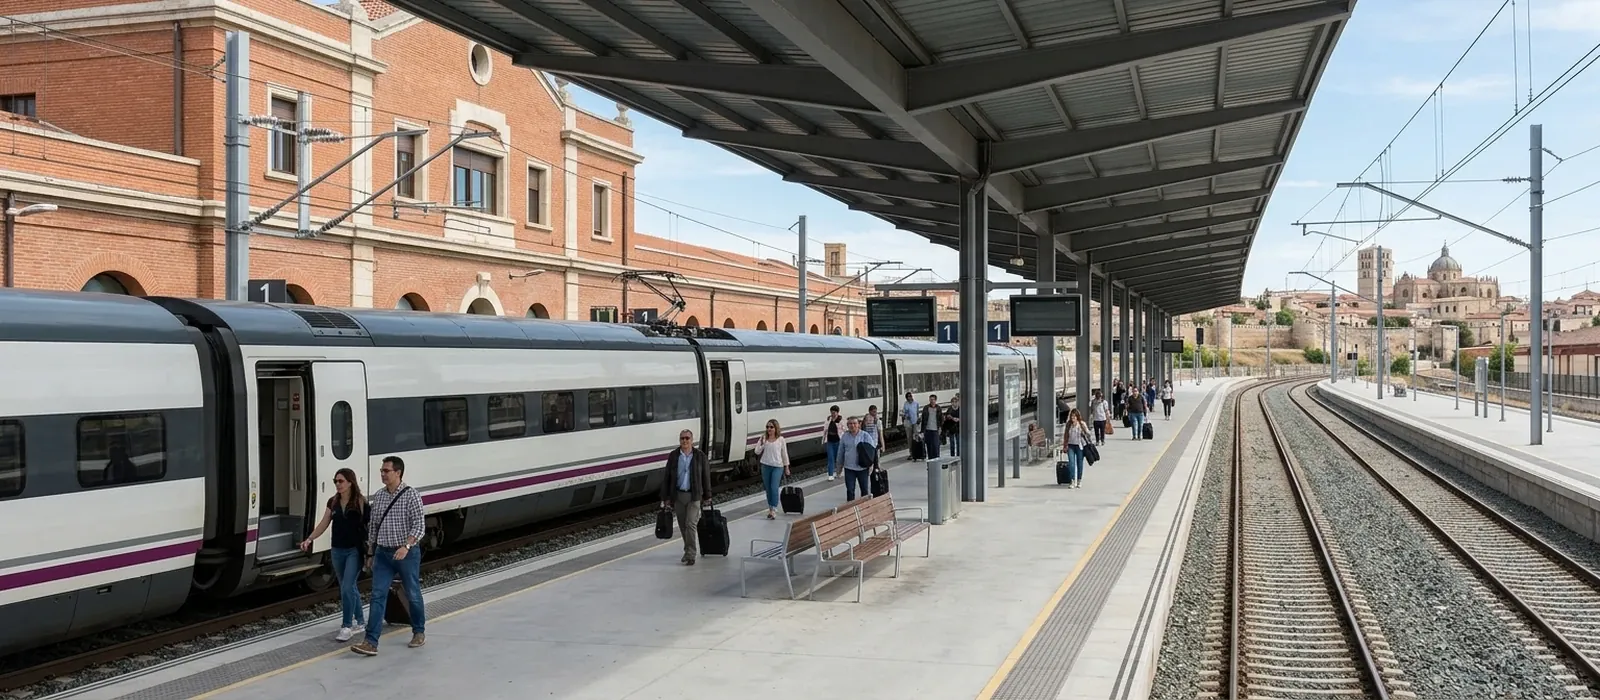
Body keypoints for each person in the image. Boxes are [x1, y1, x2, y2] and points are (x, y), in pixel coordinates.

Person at [351, 456, 426, 656]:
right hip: (383, 554)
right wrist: (370, 552)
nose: (383, 474)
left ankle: (418, 631)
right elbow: (374, 527)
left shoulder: (411, 495)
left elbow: (419, 525)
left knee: (412, 593)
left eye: (386, 470)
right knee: (377, 595)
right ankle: (370, 642)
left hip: (406, 554)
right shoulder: (380, 496)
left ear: (398, 473)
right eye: (382, 471)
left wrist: (406, 546)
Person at [300, 467, 368, 642]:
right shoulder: (333, 502)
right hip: (337, 550)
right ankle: (360, 622)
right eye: (335, 481)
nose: (338, 484)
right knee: (348, 587)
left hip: (354, 550)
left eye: (341, 481)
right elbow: (324, 523)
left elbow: (370, 525)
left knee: (346, 587)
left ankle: (346, 626)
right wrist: (309, 539)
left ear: (350, 482)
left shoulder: (360, 502)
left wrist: (371, 551)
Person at [660, 429, 713, 565]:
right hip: (678, 495)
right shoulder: (674, 456)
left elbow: (706, 476)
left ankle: (691, 554)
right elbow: (667, 477)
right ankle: (688, 549)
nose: (684, 441)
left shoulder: (700, 456)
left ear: (692, 440)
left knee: (690, 524)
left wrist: (707, 495)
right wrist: (665, 497)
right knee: (683, 525)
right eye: (682, 438)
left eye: (687, 438)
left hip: (694, 495)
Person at [755, 419, 790, 519]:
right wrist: (761, 442)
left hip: (778, 466)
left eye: (771, 427)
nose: (769, 429)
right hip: (765, 466)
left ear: (776, 428)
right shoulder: (764, 438)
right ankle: (770, 508)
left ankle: (774, 508)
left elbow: (784, 454)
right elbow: (757, 452)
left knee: (774, 487)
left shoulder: (781, 439)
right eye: (767, 427)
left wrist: (786, 467)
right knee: (768, 489)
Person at [837, 417, 871, 501]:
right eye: (850, 424)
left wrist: (871, 465)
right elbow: (840, 452)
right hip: (849, 468)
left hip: (862, 468)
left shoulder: (865, 435)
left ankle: (865, 506)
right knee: (850, 490)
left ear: (859, 424)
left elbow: (872, 451)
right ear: (847, 425)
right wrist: (839, 467)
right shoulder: (845, 436)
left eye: (854, 423)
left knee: (864, 490)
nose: (852, 425)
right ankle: (851, 506)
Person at [1062, 408, 1089, 488]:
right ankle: (1072, 480)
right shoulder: (1068, 425)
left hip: (1080, 446)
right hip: (1070, 446)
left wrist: (1084, 432)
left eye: (1074, 416)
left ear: (1077, 417)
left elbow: (1088, 433)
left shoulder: (1081, 424)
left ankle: (1079, 480)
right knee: (1071, 463)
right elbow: (1066, 435)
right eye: (1071, 416)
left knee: (1079, 463)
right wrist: (1065, 445)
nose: (1072, 418)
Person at [821, 406, 843, 481]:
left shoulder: (841, 420)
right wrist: (823, 441)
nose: (833, 414)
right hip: (830, 441)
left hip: (838, 441)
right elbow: (825, 431)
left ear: (837, 413)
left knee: (838, 458)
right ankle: (830, 474)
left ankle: (838, 472)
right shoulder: (828, 420)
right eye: (832, 412)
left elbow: (845, 430)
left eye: (834, 413)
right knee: (830, 458)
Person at [919, 394, 943, 460]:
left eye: (933, 399)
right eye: (930, 399)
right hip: (927, 430)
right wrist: (922, 431)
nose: (932, 401)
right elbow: (923, 420)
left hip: (935, 430)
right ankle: (930, 460)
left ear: (935, 400)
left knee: (936, 446)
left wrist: (940, 428)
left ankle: (937, 460)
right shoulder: (926, 408)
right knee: (929, 446)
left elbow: (941, 419)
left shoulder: (938, 408)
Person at [901, 392, 920, 459]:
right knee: (909, 438)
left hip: (915, 422)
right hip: (908, 423)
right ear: (906, 398)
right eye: (908, 397)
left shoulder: (916, 403)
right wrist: (906, 416)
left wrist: (918, 419)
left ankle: (917, 452)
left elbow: (917, 412)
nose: (910, 398)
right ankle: (911, 453)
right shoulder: (905, 404)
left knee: (916, 436)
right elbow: (903, 413)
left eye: (910, 396)